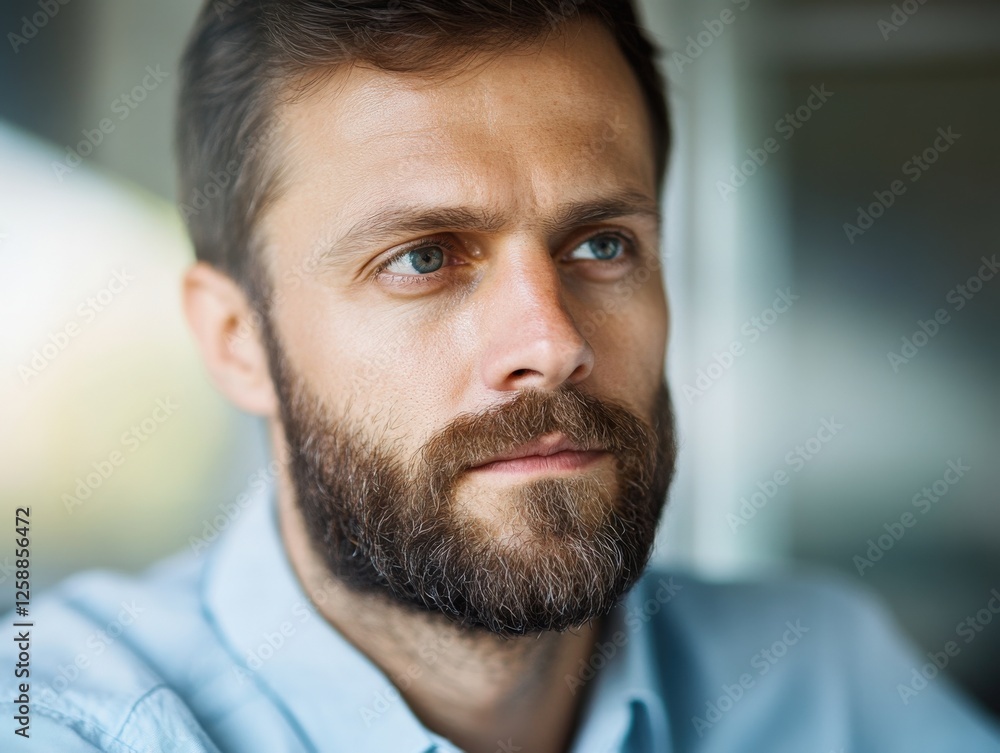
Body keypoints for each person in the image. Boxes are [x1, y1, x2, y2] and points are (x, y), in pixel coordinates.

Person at [4, 1, 999, 751]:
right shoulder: (60, 717)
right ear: (235, 340)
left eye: (602, 245)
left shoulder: (821, 679)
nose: (552, 340)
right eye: (423, 258)